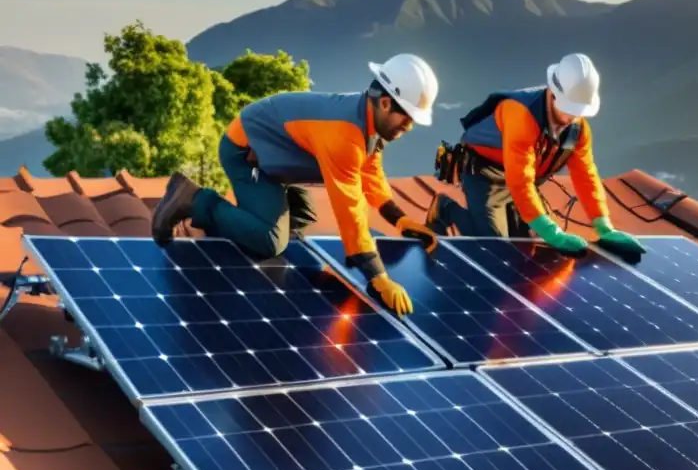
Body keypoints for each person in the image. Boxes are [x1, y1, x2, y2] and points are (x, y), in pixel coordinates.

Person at [150, 54, 441, 317]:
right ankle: (195, 199)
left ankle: (234, 224)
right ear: (386, 103)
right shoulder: (345, 134)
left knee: (302, 220)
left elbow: (370, 172)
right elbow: (349, 209)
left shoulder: (368, 121)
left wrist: (399, 219)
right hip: (247, 155)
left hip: (277, 159)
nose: (409, 126)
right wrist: (378, 276)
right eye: (408, 116)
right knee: (271, 240)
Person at [427, 53, 645, 255]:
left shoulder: (578, 130)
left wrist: (602, 225)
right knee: (495, 248)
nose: (572, 118)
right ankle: (446, 209)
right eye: (568, 110)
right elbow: (519, 182)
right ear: (552, 94)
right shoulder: (521, 115)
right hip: (486, 174)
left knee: (533, 247)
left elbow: (585, 175)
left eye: (578, 113)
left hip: (525, 179)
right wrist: (551, 231)